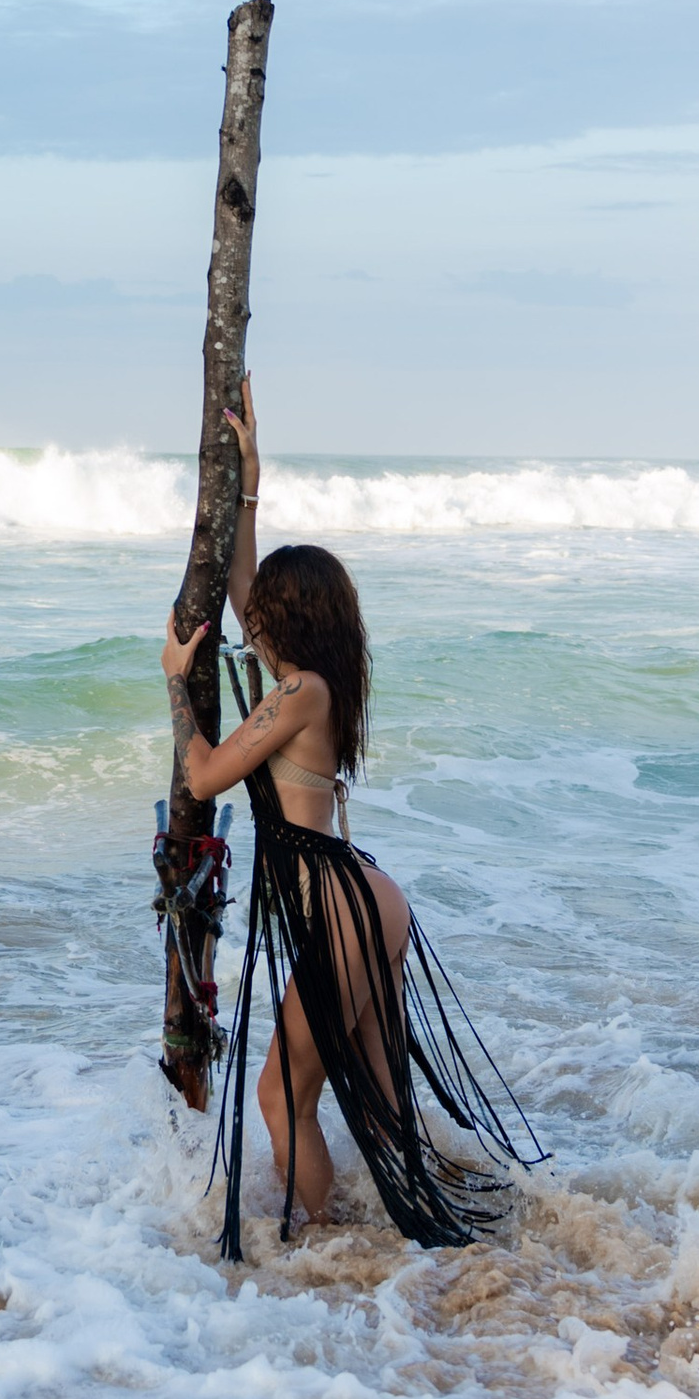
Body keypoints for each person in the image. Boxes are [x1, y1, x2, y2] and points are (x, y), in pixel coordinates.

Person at [162, 377, 542, 1256]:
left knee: (278, 1096)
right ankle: (446, 1251)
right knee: (376, 1096)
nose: (250, 616)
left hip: (342, 909)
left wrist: (177, 681)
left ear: (288, 620)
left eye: (264, 612)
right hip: (367, 900)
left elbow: (207, 773)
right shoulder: (313, 682)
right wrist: (251, 478)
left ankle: (322, 1251)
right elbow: (249, 584)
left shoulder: (298, 692)